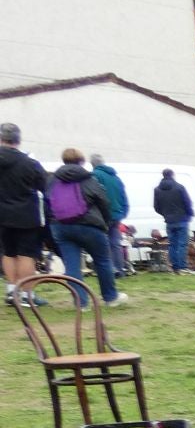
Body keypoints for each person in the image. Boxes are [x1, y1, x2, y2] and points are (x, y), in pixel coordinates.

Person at [45, 150, 123, 307]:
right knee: (102, 260)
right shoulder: (88, 179)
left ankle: (81, 303)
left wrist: (51, 226)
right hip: (89, 225)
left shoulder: (52, 180)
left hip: (61, 226)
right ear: (82, 161)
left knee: (72, 265)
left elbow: (47, 204)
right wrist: (105, 223)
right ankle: (110, 297)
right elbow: (103, 201)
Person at [0, 123, 48, 301]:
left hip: (2, 215)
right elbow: (45, 187)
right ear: (18, 140)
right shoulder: (30, 163)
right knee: (26, 254)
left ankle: (12, 291)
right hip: (26, 215)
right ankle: (27, 294)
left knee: (8, 252)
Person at [89, 153, 130, 276]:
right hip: (116, 214)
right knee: (115, 243)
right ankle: (119, 269)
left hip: (103, 214)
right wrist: (123, 211)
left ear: (92, 164)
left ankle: (108, 271)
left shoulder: (94, 176)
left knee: (102, 243)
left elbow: (94, 195)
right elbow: (123, 196)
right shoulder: (116, 177)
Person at [152, 167, 194, 273]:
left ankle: (175, 266)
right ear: (173, 175)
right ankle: (182, 267)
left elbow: (156, 207)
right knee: (182, 244)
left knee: (172, 244)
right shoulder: (180, 188)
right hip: (182, 220)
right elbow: (187, 203)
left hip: (169, 221)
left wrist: (165, 214)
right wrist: (189, 214)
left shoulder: (157, 190)